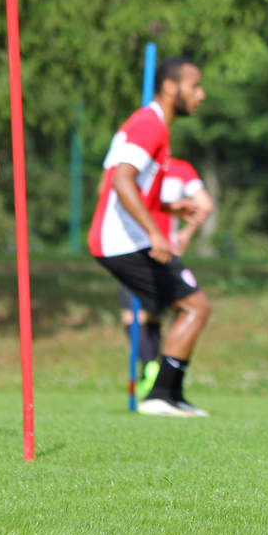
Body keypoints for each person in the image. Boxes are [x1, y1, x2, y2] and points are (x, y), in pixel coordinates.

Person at [89, 57, 213, 417]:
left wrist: (172, 209)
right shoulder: (149, 124)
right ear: (172, 87)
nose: (200, 95)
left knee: (191, 307)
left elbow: (127, 183)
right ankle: (161, 395)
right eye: (195, 86)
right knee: (195, 306)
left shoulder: (151, 124)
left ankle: (169, 396)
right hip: (123, 241)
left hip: (124, 239)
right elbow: (120, 180)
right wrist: (155, 233)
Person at [120, 157, 213, 400]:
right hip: (165, 248)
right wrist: (186, 233)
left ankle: (152, 369)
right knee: (167, 313)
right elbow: (204, 204)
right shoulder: (183, 168)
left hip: (135, 248)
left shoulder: (134, 167)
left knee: (134, 316)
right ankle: (160, 379)